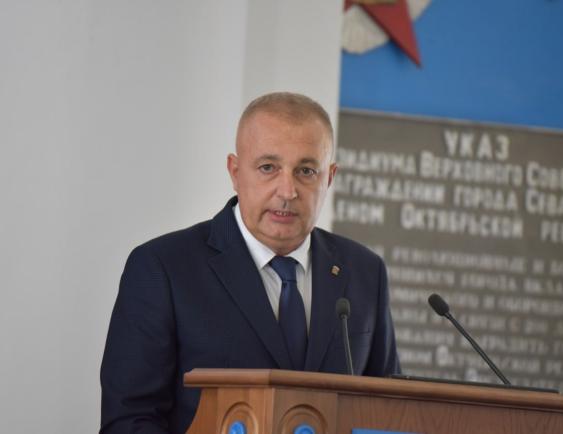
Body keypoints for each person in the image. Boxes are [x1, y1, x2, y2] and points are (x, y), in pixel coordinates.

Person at [99, 92, 400, 434]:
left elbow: (389, 414)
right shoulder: (162, 268)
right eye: (268, 168)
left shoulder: (365, 273)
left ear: (329, 177)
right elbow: (129, 421)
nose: (287, 191)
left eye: (306, 171)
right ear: (235, 171)